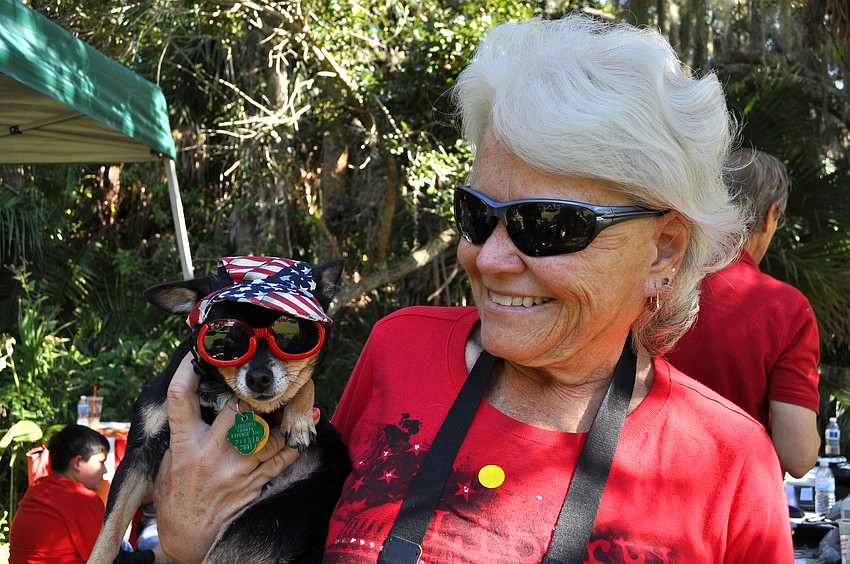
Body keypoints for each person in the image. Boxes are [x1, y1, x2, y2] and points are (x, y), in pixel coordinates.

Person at [153, 14, 794, 563]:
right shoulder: (398, 349)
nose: (487, 259)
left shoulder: (730, 463)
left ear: (663, 249)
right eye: (478, 214)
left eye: (548, 225)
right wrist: (181, 545)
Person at [666, 148, 821, 478]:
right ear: (770, 216)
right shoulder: (786, 308)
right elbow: (797, 455)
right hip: (737, 505)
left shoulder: (655, 281)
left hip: (640, 496)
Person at [9, 424, 168, 564]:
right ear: (77, 463)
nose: (105, 471)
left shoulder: (38, 488)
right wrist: (154, 556)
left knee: (123, 545)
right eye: (101, 462)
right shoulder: (81, 499)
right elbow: (110, 559)